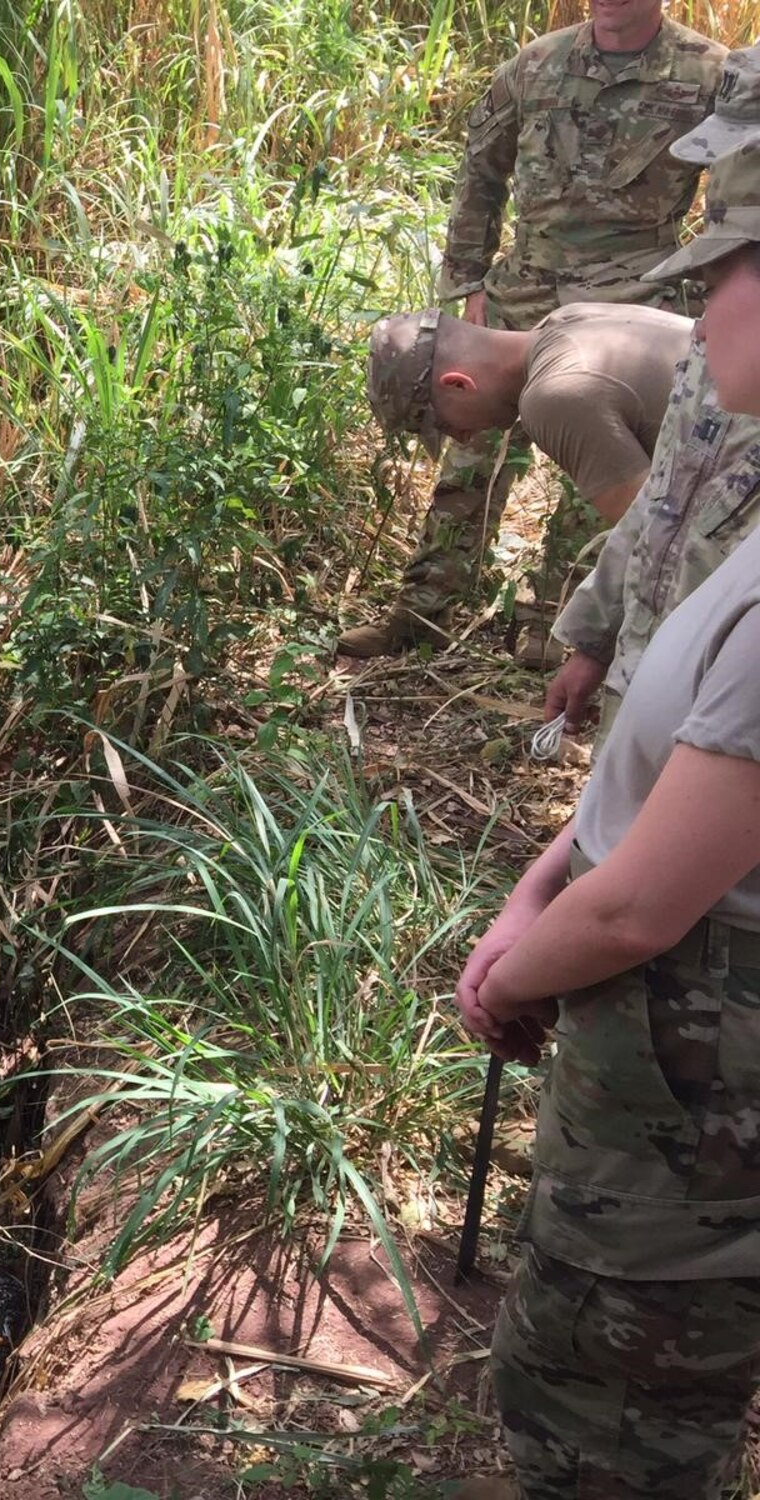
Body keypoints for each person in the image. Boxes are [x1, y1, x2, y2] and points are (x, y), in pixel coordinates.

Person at [452, 137, 760, 1500]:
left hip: (698, 1061)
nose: (702, 315)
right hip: (659, 1022)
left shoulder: (569, 394)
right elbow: (650, 578)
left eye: (728, 279)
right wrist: (542, 883)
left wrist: (517, 963)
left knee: (613, 1417)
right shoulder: (738, 522)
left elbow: (649, 899)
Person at [339, 0, 723, 660]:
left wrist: (717, 285)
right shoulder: (536, 65)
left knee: (596, 476)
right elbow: (481, 173)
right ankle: (425, 609)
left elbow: (742, 188)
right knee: (467, 458)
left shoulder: (709, 74)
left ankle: (560, 624)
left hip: (632, 293)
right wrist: (465, 283)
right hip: (523, 289)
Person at [546, 44, 760, 736]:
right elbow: (662, 498)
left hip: (721, 719)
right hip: (646, 688)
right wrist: (594, 640)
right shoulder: (722, 341)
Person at [366, 302, 691, 525]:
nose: (462, 436)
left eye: (444, 425)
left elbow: (660, 544)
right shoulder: (568, 317)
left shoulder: (554, 396)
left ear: (458, 384)